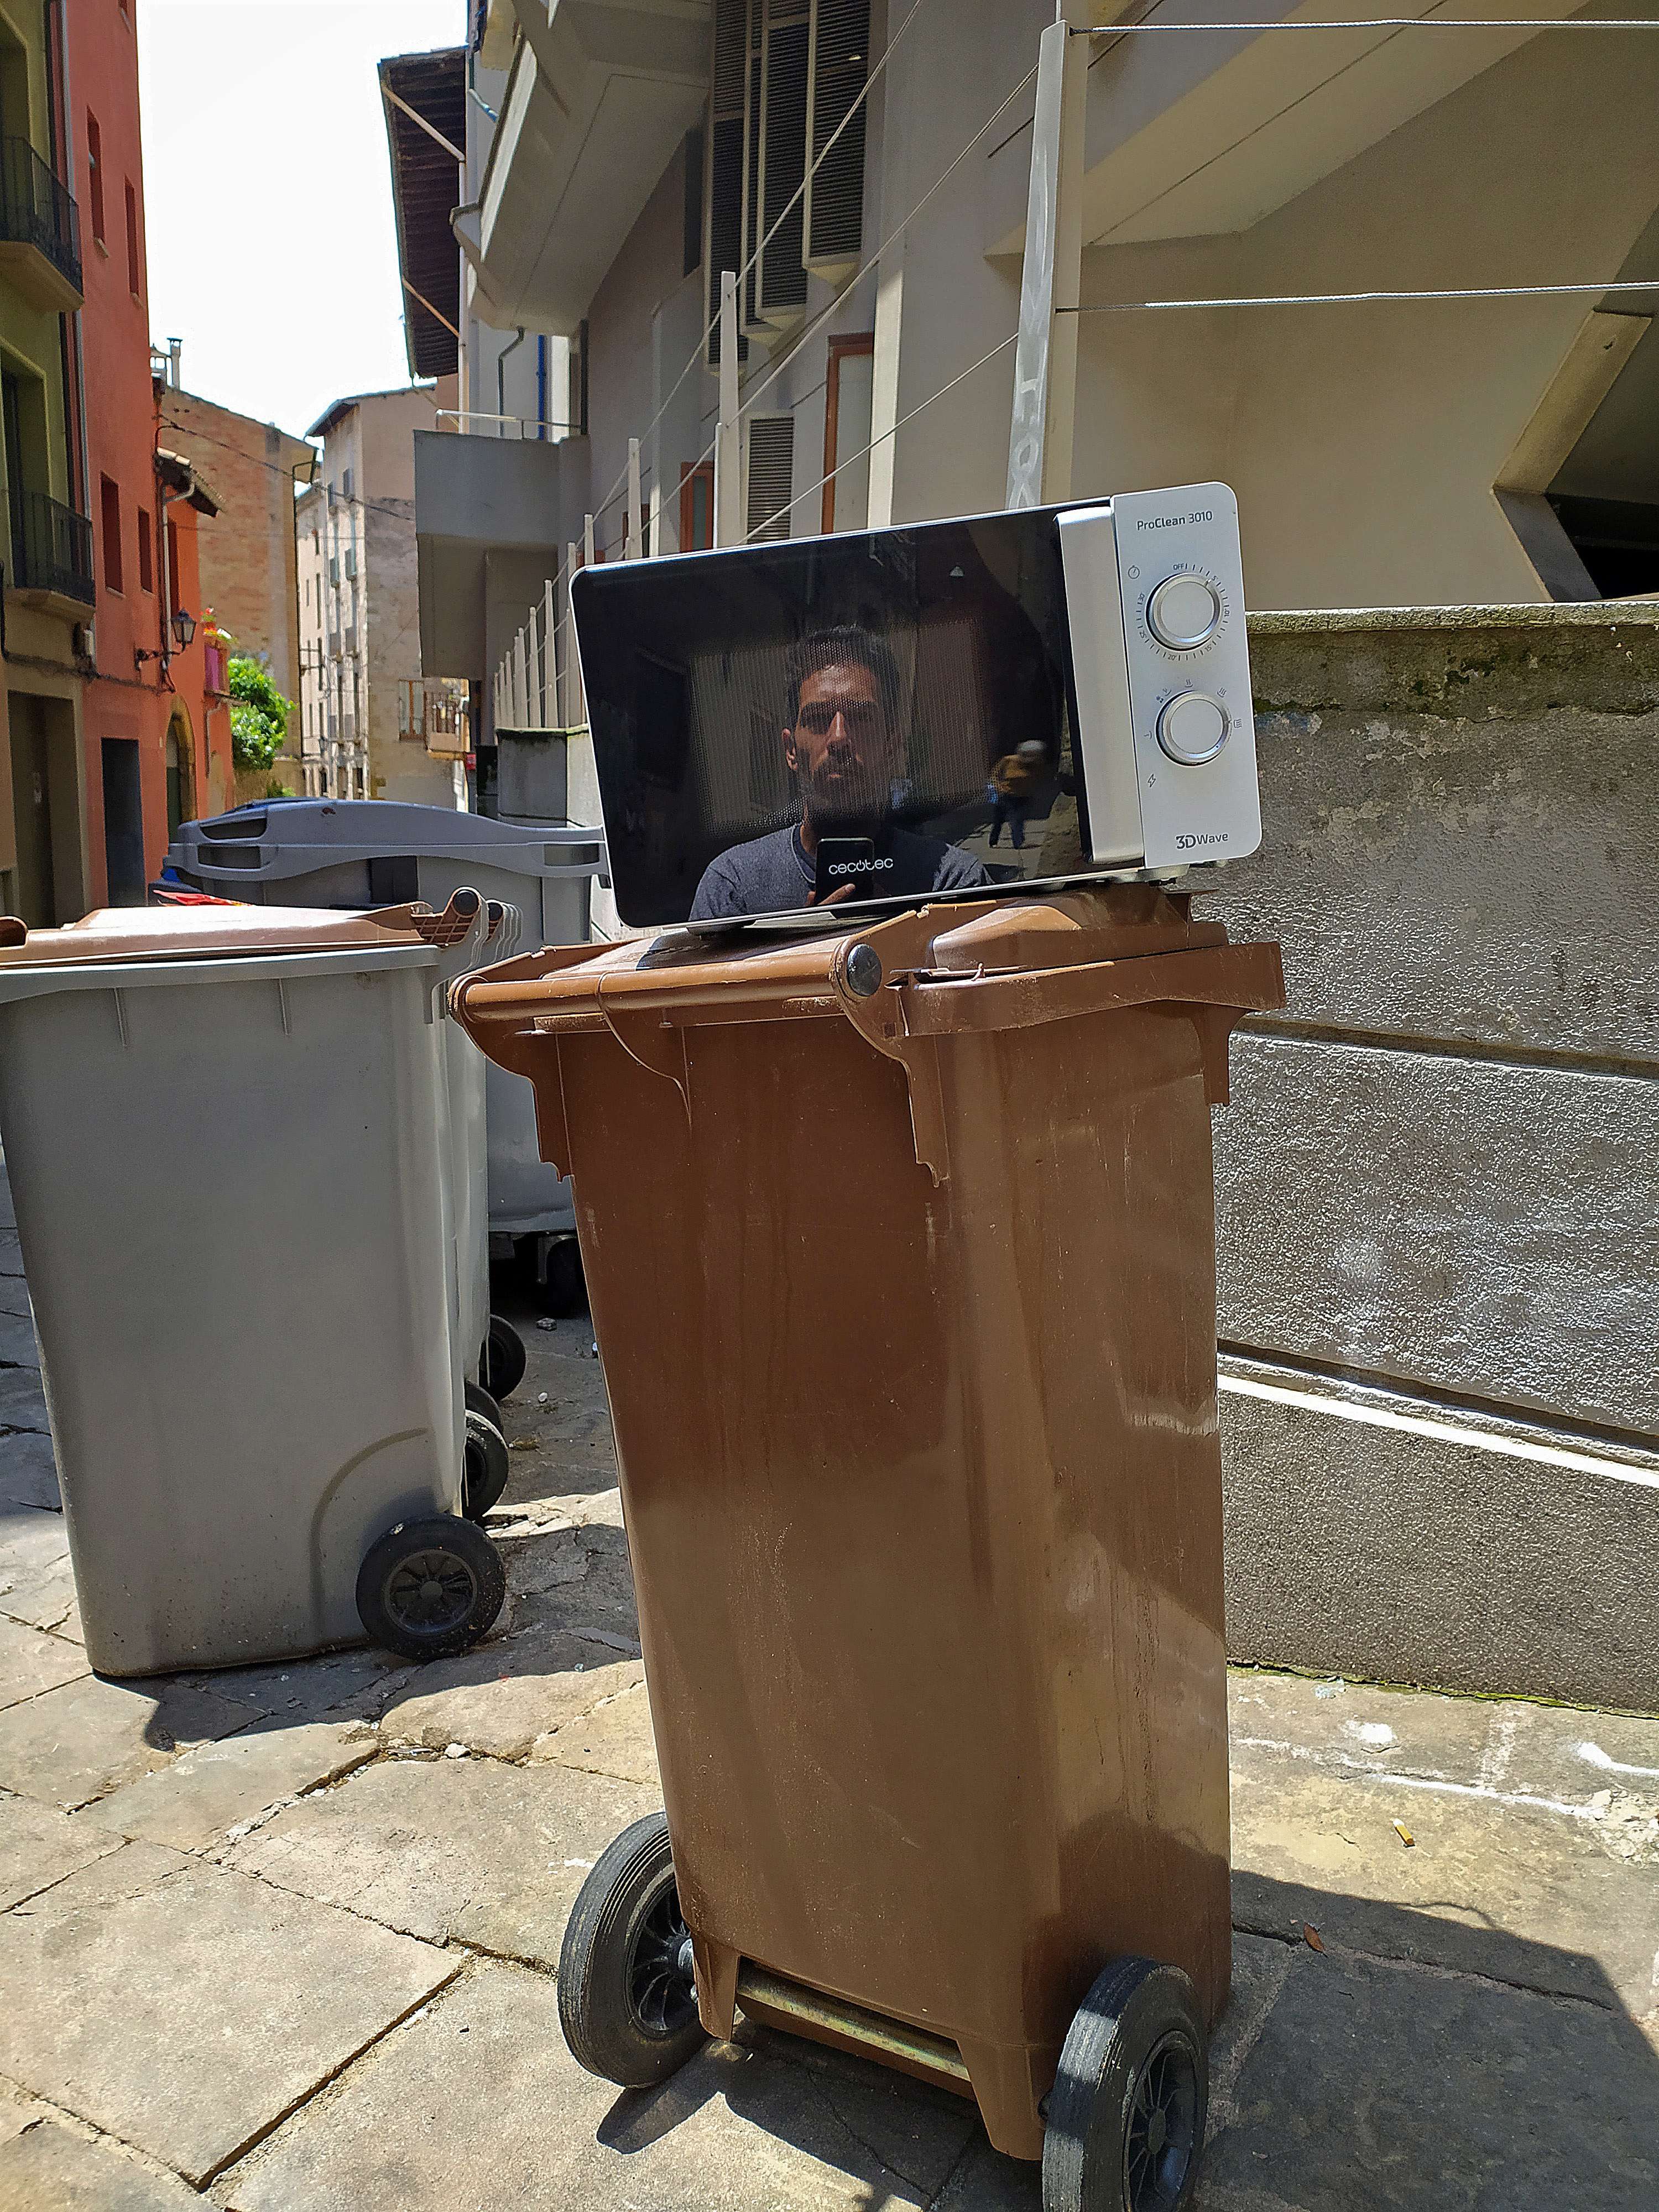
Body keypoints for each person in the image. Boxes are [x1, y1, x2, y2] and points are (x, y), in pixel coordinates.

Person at [689, 626, 992, 921]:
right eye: (818, 719)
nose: (838, 738)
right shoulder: (733, 888)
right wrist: (809, 946)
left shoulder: (954, 885)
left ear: (891, 746)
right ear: (791, 749)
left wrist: (897, 934)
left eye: (861, 717)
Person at [987, 739, 1047, 849]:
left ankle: (1018, 843)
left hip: (1024, 796)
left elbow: (1038, 778)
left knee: (1018, 820)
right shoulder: (1009, 761)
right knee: (999, 820)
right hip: (1006, 795)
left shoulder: (1036, 765)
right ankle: (993, 841)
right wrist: (999, 788)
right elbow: (994, 775)